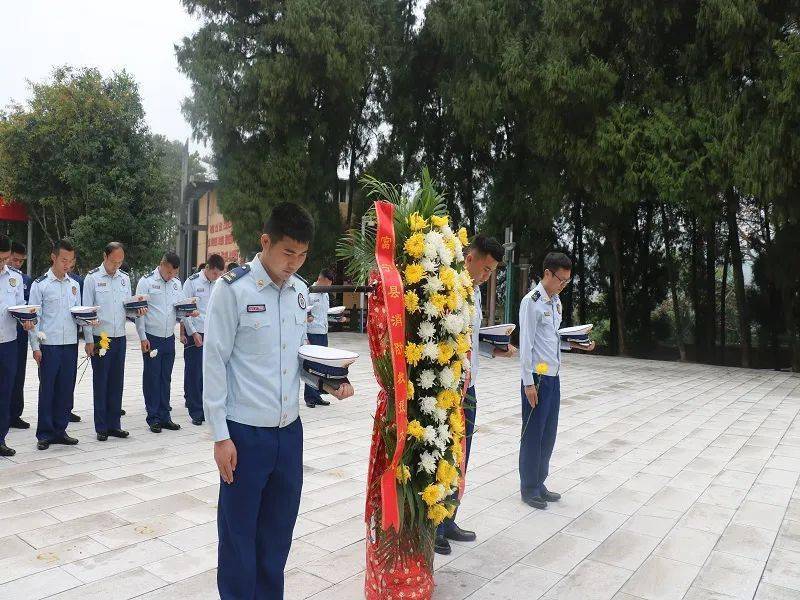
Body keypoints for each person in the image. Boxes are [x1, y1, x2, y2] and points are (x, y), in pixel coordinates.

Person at [204, 202, 354, 599]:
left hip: (289, 435)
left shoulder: (301, 293)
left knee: (276, 537)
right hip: (244, 434)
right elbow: (214, 363)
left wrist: (327, 382)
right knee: (239, 537)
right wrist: (221, 436)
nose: (294, 263)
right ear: (265, 242)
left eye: (302, 255)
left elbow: (296, 359)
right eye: (288, 253)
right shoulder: (232, 290)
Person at [435, 234, 516, 555]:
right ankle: (434, 524)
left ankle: (450, 517)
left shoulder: (476, 292)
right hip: (447, 389)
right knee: (442, 456)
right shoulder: (447, 287)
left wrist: (492, 346)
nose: (487, 276)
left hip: (470, 385)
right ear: (469, 258)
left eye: (492, 271)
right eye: (485, 269)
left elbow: (469, 337)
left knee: (461, 457)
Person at [518, 251, 595, 509]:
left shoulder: (556, 302)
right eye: (560, 279)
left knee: (548, 434)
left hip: (554, 377)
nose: (563, 284)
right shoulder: (532, 301)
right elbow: (526, 343)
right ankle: (529, 488)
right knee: (533, 435)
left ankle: (540, 482)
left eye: (567, 281)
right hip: (537, 377)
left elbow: (553, 340)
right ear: (547, 274)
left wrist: (578, 344)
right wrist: (528, 382)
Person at [83, 242, 146, 441]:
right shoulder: (92, 278)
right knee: (102, 381)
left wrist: (137, 310)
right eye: (113, 261)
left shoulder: (124, 279)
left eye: (120, 262)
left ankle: (114, 424)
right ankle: (101, 426)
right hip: (101, 337)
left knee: (117, 382)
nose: (116, 266)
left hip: (120, 336)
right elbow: (86, 310)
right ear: (105, 256)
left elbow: (126, 308)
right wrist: (88, 339)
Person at [29, 239, 82, 450]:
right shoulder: (40, 285)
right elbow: (34, 318)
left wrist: (89, 322)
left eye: (71, 261)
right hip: (48, 345)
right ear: (54, 257)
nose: (67, 264)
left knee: (66, 388)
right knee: (48, 389)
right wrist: (35, 347)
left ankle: (61, 429)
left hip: (69, 343)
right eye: (63, 260)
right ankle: (45, 433)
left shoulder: (75, 285)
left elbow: (78, 314)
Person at [135, 252, 187, 433]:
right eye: (169, 272)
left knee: (165, 377)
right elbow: (139, 312)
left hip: (168, 338)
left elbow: (178, 310)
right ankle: (154, 417)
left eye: (174, 273)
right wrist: (142, 336)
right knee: (152, 377)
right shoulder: (146, 281)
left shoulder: (176, 284)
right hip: (152, 336)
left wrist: (188, 313)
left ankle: (165, 416)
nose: (171, 276)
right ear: (162, 265)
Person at [181, 253, 224, 425]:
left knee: (210, 373)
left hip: (213, 333)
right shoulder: (192, 282)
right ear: (207, 268)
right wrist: (192, 332)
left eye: (219, 274)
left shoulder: (220, 283)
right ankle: (196, 411)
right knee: (194, 373)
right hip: (196, 333)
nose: (216, 277)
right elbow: (184, 309)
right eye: (214, 273)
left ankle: (207, 408)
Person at [0, 235, 34, 456]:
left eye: (4, 259)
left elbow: (20, 305)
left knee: (5, 392)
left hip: (8, 344)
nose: (2, 264)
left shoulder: (13, 278)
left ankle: (0, 438)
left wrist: (26, 317)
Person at [8, 241, 32, 430]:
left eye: (21, 261)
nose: (17, 264)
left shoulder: (24, 280)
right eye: (14, 260)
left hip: (20, 334)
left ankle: (15, 414)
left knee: (18, 374)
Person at [304, 268, 335, 408]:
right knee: (311, 366)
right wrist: (307, 317)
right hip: (312, 333)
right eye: (326, 284)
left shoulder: (325, 295)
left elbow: (324, 313)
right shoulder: (309, 292)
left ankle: (317, 395)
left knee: (322, 365)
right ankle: (310, 397)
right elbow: (302, 310)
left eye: (329, 285)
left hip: (323, 332)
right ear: (320, 279)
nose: (327, 287)